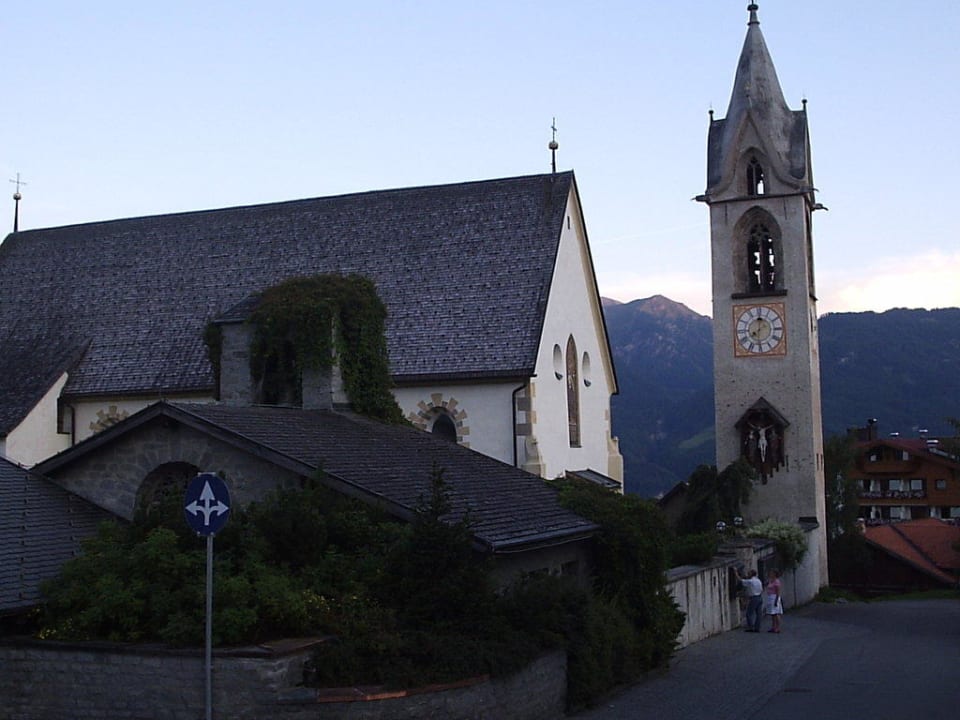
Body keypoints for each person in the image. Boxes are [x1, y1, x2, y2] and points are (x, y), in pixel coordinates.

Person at [735, 567, 763, 632]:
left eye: (749, 574)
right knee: (758, 614)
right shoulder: (758, 580)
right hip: (759, 597)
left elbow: (740, 580)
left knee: (749, 613)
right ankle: (757, 627)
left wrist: (736, 573)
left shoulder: (751, 581)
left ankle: (751, 627)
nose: (747, 575)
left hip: (754, 598)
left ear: (751, 574)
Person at [764, 569, 783, 633]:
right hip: (770, 597)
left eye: (772, 573)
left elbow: (778, 592)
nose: (770, 574)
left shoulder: (777, 582)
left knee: (776, 613)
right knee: (772, 614)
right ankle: (773, 627)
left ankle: (777, 627)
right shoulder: (771, 581)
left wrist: (776, 601)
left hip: (774, 597)